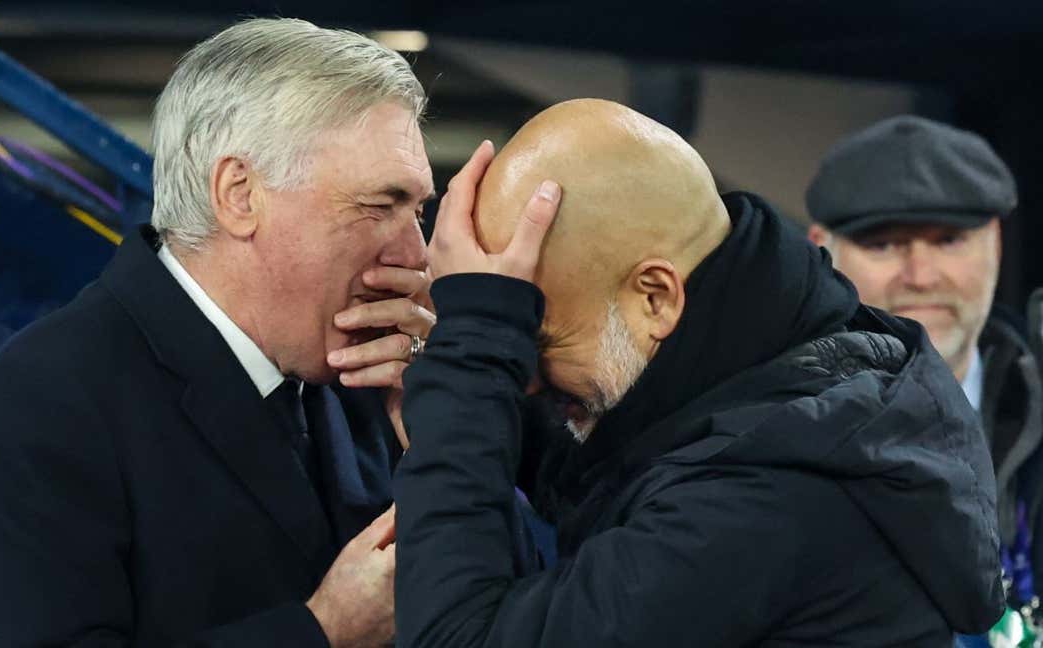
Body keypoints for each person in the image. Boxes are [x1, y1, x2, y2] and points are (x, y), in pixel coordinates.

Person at [393, 98, 1005, 646]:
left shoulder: (766, 494)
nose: (525, 377)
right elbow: (610, 468)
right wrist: (468, 379)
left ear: (656, 298)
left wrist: (470, 367)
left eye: (539, 338)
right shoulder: (788, 388)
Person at [0, 18, 436, 647]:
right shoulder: (43, 402)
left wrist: (448, 441)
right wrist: (320, 633)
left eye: (417, 211)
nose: (417, 254)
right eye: (378, 207)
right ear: (239, 195)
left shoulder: (375, 384)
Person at [806, 116, 1043, 622]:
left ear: (996, 243)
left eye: (949, 240)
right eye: (883, 244)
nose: (920, 276)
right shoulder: (763, 428)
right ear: (821, 249)